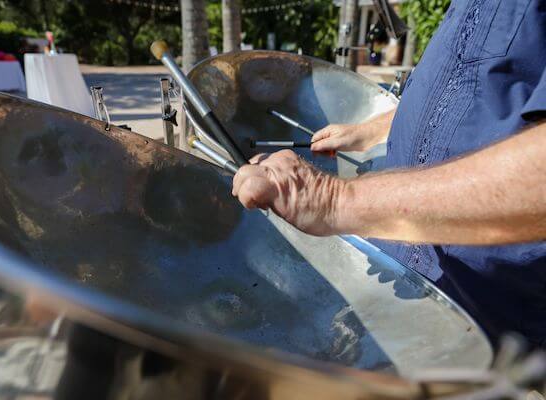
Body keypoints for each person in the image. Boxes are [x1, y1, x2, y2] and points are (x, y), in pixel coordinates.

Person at [232, 0, 546, 347]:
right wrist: (374, 128)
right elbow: (478, 87)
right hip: (401, 264)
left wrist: (334, 200)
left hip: (486, 310)